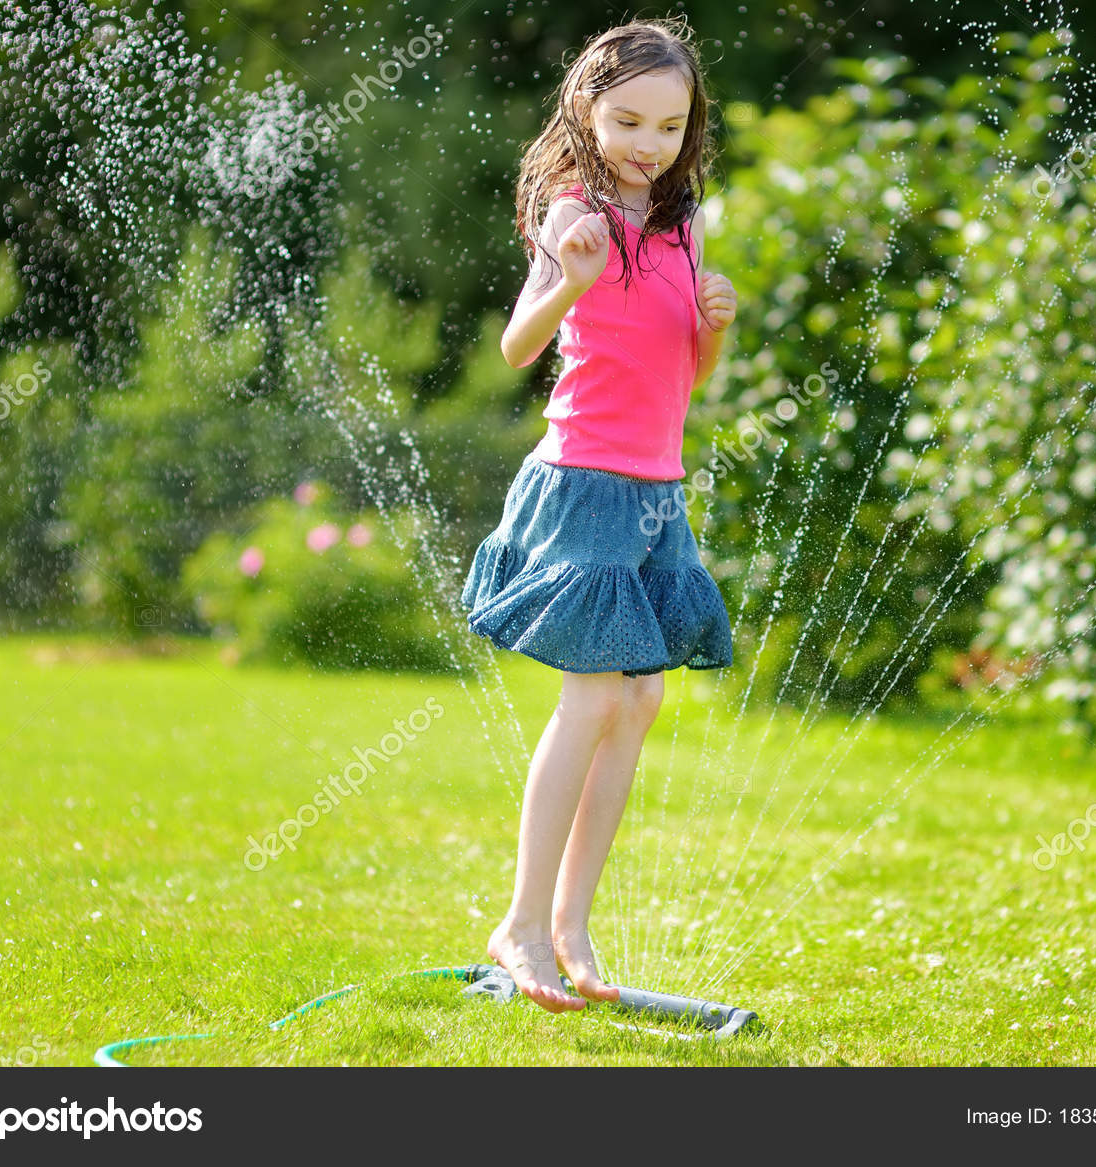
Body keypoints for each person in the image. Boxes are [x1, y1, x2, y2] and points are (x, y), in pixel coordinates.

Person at [459, 18, 736, 1013]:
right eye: (627, 120)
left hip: (655, 491)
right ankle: (523, 923)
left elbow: (683, 381)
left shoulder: (683, 222)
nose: (646, 144)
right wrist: (569, 278)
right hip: (580, 482)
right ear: (586, 108)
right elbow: (515, 346)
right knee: (592, 697)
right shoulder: (573, 212)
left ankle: (572, 922)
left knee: (640, 699)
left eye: (668, 126)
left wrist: (713, 332)